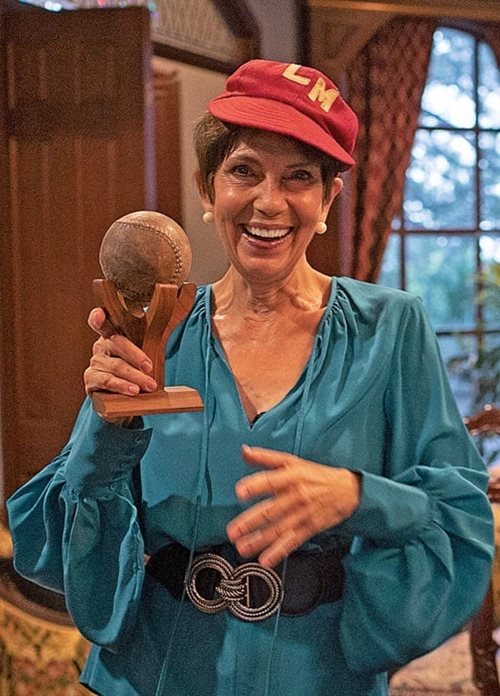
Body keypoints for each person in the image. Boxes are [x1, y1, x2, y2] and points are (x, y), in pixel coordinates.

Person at [6, 59, 494, 696]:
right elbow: (51, 532)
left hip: (320, 675)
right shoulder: (157, 330)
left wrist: (357, 496)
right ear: (208, 190)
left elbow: (460, 522)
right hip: (153, 674)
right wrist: (105, 424)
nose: (269, 201)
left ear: (327, 200)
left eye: (299, 177)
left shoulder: (391, 330)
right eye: (243, 171)